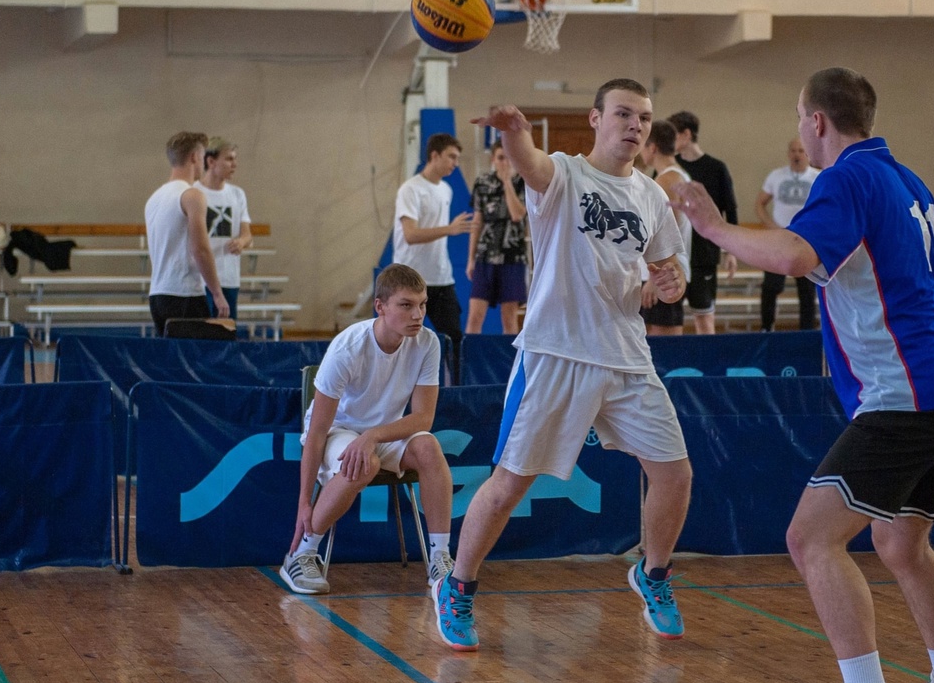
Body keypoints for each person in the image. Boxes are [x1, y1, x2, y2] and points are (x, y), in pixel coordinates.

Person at [674, 67, 934, 683]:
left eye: (799, 117)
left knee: (810, 539)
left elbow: (795, 255)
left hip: (902, 395)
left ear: (817, 121)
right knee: (901, 545)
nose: (798, 129)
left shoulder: (845, 178)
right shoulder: (908, 181)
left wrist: (713, 227)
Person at [432, 78, 694, 652]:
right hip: (555, 354)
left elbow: (666, 274)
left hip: (626, 357)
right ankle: (458, 586)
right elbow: (528, 162)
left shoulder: (651, 196)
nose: (635, 125)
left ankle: (653, 573)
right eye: (623, 114)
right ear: (596, 119)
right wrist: (513, 131)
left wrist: (670, 283)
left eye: (644, 118)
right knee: (508, 485)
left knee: (675, 474)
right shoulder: (565, 175)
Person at [281, 263, 457, 595]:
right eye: (406, 305)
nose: (417, 314)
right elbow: (316, 432)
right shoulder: (347, 347)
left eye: (422, 304)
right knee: (365, 463)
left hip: (382, 433)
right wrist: (304, 502)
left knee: (428, 447)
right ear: (380, 306)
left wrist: (373, 436)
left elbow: (423, 419)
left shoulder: (428, 343)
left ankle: (441, 559)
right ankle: (301, 554)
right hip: (338, 430)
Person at [394, 133, 476, 382]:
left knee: (455, 340)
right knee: (402, 340)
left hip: (441, 278)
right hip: (410, 280)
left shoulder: (446, 189)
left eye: (457, 158)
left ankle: (457, 392)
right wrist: (449, 229)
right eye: (451, 157)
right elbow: (410, 235)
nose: (455, 163)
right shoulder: (410, 189)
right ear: (434, 155)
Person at [145, 131, 229, 336]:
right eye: (202, 157)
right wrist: (217, 293)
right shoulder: (192, 196)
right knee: (198, 354)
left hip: (158, 294)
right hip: (184, 293)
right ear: (194, 157)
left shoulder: (154, 199)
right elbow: (200, 249)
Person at [668, 111, 738, 335]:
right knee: (670, 320)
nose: (670, 141)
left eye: (674, 135)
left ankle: (709, 358)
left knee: (704, 317)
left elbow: (730, 209)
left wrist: (731, 251)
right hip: (675, 253)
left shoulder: (716, 168)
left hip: (704, 253)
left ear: (686, 135)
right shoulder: (670, 169)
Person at [755, 138, 820, 331]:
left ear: (807, 154)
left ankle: (806, 331)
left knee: (807, 290)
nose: (796, 155)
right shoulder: (776, 176)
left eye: (801, 151)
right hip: (780, 239)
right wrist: (772, 226)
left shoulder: (818, 178)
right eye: (793, 151)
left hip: (806, 241)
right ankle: (766, 328)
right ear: (788, 153)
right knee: (770, 286)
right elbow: (759, 204)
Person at [465, 141, 528, 335]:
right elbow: (477, 221)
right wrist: (471, 258)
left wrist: (507, 182)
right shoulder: (482, 183)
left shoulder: (523, 182)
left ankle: (509, 355)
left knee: (509, 317)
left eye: (509, 158)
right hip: (486, 255)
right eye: (501, 158)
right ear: (493, 159)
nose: (505, 163)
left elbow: (518, 214)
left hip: (512, 257)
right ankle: (471, 354)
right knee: (475, 315)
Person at [639, 120, 692, 336]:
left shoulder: (665, 181)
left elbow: (665, 233)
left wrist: (655, 279)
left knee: (663, 342)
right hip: (670, 268)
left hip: (664, 271)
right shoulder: (680, 175)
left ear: (652, 147)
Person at [195, 136, 254, 318]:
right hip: (199, 279)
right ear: (211, 161)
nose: (234, 164)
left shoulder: (237, 194)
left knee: (227, 330)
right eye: (229, 159)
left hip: (228, 277)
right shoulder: (194, 192)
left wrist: (241, 242)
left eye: (235, 159)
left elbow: (247, 235)